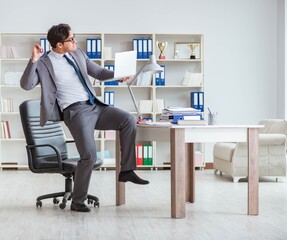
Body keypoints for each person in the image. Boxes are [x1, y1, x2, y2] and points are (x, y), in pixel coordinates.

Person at [20, 23, 149, 213]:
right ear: (58, 44)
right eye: (70, 39)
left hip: (95, 106)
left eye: (74, 37)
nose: (75, 41)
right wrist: (33, 60)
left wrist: (118, 75)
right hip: (76, 112)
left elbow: (97, 72)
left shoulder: (77, 53)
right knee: (89, 156)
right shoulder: (44, 63)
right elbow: (26, 84)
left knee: (127, 120)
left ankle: (127, 170)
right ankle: (78, 202)